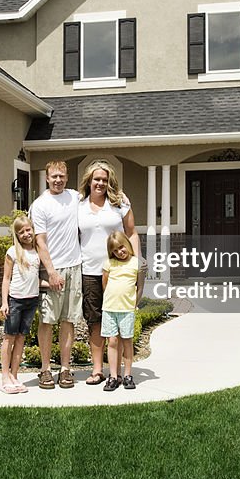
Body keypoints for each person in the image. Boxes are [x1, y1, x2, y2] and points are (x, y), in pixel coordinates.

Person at [76, 159, 142, 386]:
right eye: (96, 179)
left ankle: (123, 372)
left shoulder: (119, 204)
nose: (100, 183)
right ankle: (98, 370)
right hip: (90, 271)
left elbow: (132, 233)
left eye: (104, 180)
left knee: (121, 322)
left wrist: (137, 263)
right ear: (89, 180)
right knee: (95, 321)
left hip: (118, 273)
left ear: (109, 182)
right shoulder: (78, 204)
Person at [29, 160, 83, 389]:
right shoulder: (40, 205)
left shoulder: (74, 197)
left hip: (75, 267)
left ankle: (66, 369)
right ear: (47, 178)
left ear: (67, 177)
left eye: (61, 176)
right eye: (54, 177)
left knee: (68, 320)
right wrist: (50, 272)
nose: (58, 180)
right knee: (48, 320)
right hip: (52, 269)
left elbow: (100, 196)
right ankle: (45, 370)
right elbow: (40, 241)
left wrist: (122, 198)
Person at [0, 215, 41, 394]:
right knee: (9, 337)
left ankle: (15, 375)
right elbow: (6, 279)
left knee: (21, 338)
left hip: (32, 300)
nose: (26, 234)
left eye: (28, 229)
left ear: (32, 229)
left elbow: (36, 278)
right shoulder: (12, 252)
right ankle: (5, 377)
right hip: (15, 300)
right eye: (21, 232)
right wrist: (4, 302)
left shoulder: (38, 251)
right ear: (17, 235)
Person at [101, 231, 143, 391]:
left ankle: (127, 375)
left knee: (127, 342)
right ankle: (113, 376)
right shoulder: (109, 264)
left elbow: (139, 287)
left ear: (127, 244)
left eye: (121, 247)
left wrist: (134, 304)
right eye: (115, 250)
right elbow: (104, 284)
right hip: (110, 308)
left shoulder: (135, 263)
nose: (119, 252)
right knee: (112, 342)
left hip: (127, 310)